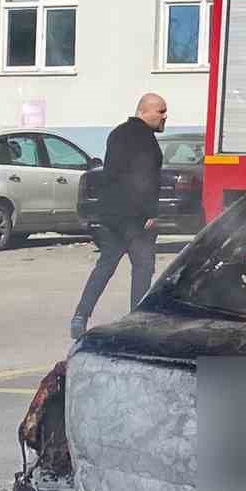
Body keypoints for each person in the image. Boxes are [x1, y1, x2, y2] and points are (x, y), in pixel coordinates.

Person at [70, 94, 167, 339]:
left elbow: (112, 174)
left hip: (111, 215)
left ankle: (80, 316)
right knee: (143, 267)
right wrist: (149, 212)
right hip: (135, 218)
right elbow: (144, 179)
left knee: (105, 266)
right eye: (161, 111)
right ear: (144, 111)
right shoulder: (145, 139)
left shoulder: (117, 133)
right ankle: (137, 322)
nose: (165, 116)